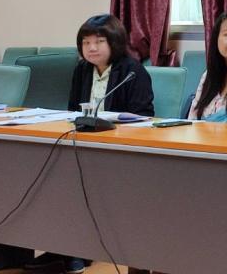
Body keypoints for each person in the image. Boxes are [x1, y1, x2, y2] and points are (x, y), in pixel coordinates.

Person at [26, 14, 155, 274]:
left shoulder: (132, 72)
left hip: (118, 149)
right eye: (86, 43)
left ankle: (77, 251)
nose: (91, 48)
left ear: (114, 42)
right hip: (83, 144)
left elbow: (144, 116)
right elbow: (73, 110)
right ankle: (64, 248)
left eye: (98, 41)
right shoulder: (82, 70)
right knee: (51, 175)